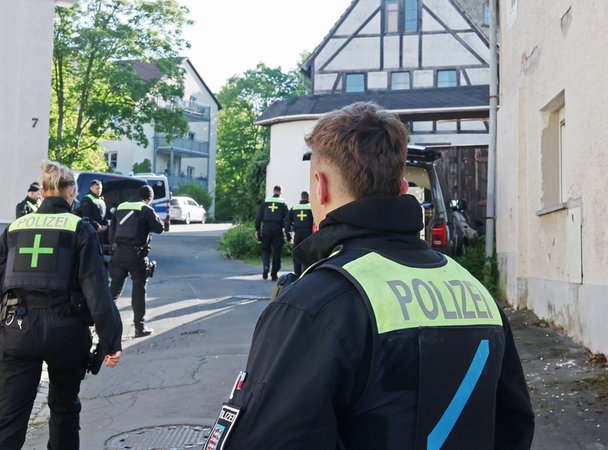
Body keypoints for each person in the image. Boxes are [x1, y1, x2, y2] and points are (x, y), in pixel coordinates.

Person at [205, 102, 534, 449]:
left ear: (320, 186)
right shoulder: (476, 293)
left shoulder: (316, 303)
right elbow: (514, 424)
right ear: (404, 189)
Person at [0, 160, 123, 450]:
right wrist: (111, 340)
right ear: (71, 192)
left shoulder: (15, 228)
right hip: (66, 333)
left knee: (8, 420)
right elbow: (96, 290)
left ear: (42, 192)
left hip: (16, 331)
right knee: (65, 410)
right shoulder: (80, 228)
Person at [108, 185, 164, 337]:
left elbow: (111, 233)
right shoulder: (146, 209)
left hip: (118, 253)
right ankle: (139, 328)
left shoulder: (121, 207)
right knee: (139, 290)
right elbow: (159, 228)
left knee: (113, 290)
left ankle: (103, 327)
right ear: (149, 198)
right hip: (136, 255)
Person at [255, 185, 288, 280]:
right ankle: (274, 274)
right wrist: (285, 229)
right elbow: (287, 218)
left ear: (273, 191)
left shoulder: (266, 201)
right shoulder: (282, 202)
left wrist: (258, 229)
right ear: (280, 192)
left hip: (266, 228)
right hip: (277, 229)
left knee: (265, 249)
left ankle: (266, 266)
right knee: (277, 251)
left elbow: (258, 217)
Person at [285, 191, 314, 275]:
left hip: (297, 235)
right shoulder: (312, 207)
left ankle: (297, 275)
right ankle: (307, 275)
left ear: (301, 197)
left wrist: (289, 237)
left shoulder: (294, 208)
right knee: (308, 256)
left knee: (296, 255)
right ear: (308, 197)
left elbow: (287, 226)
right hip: (309, 235)